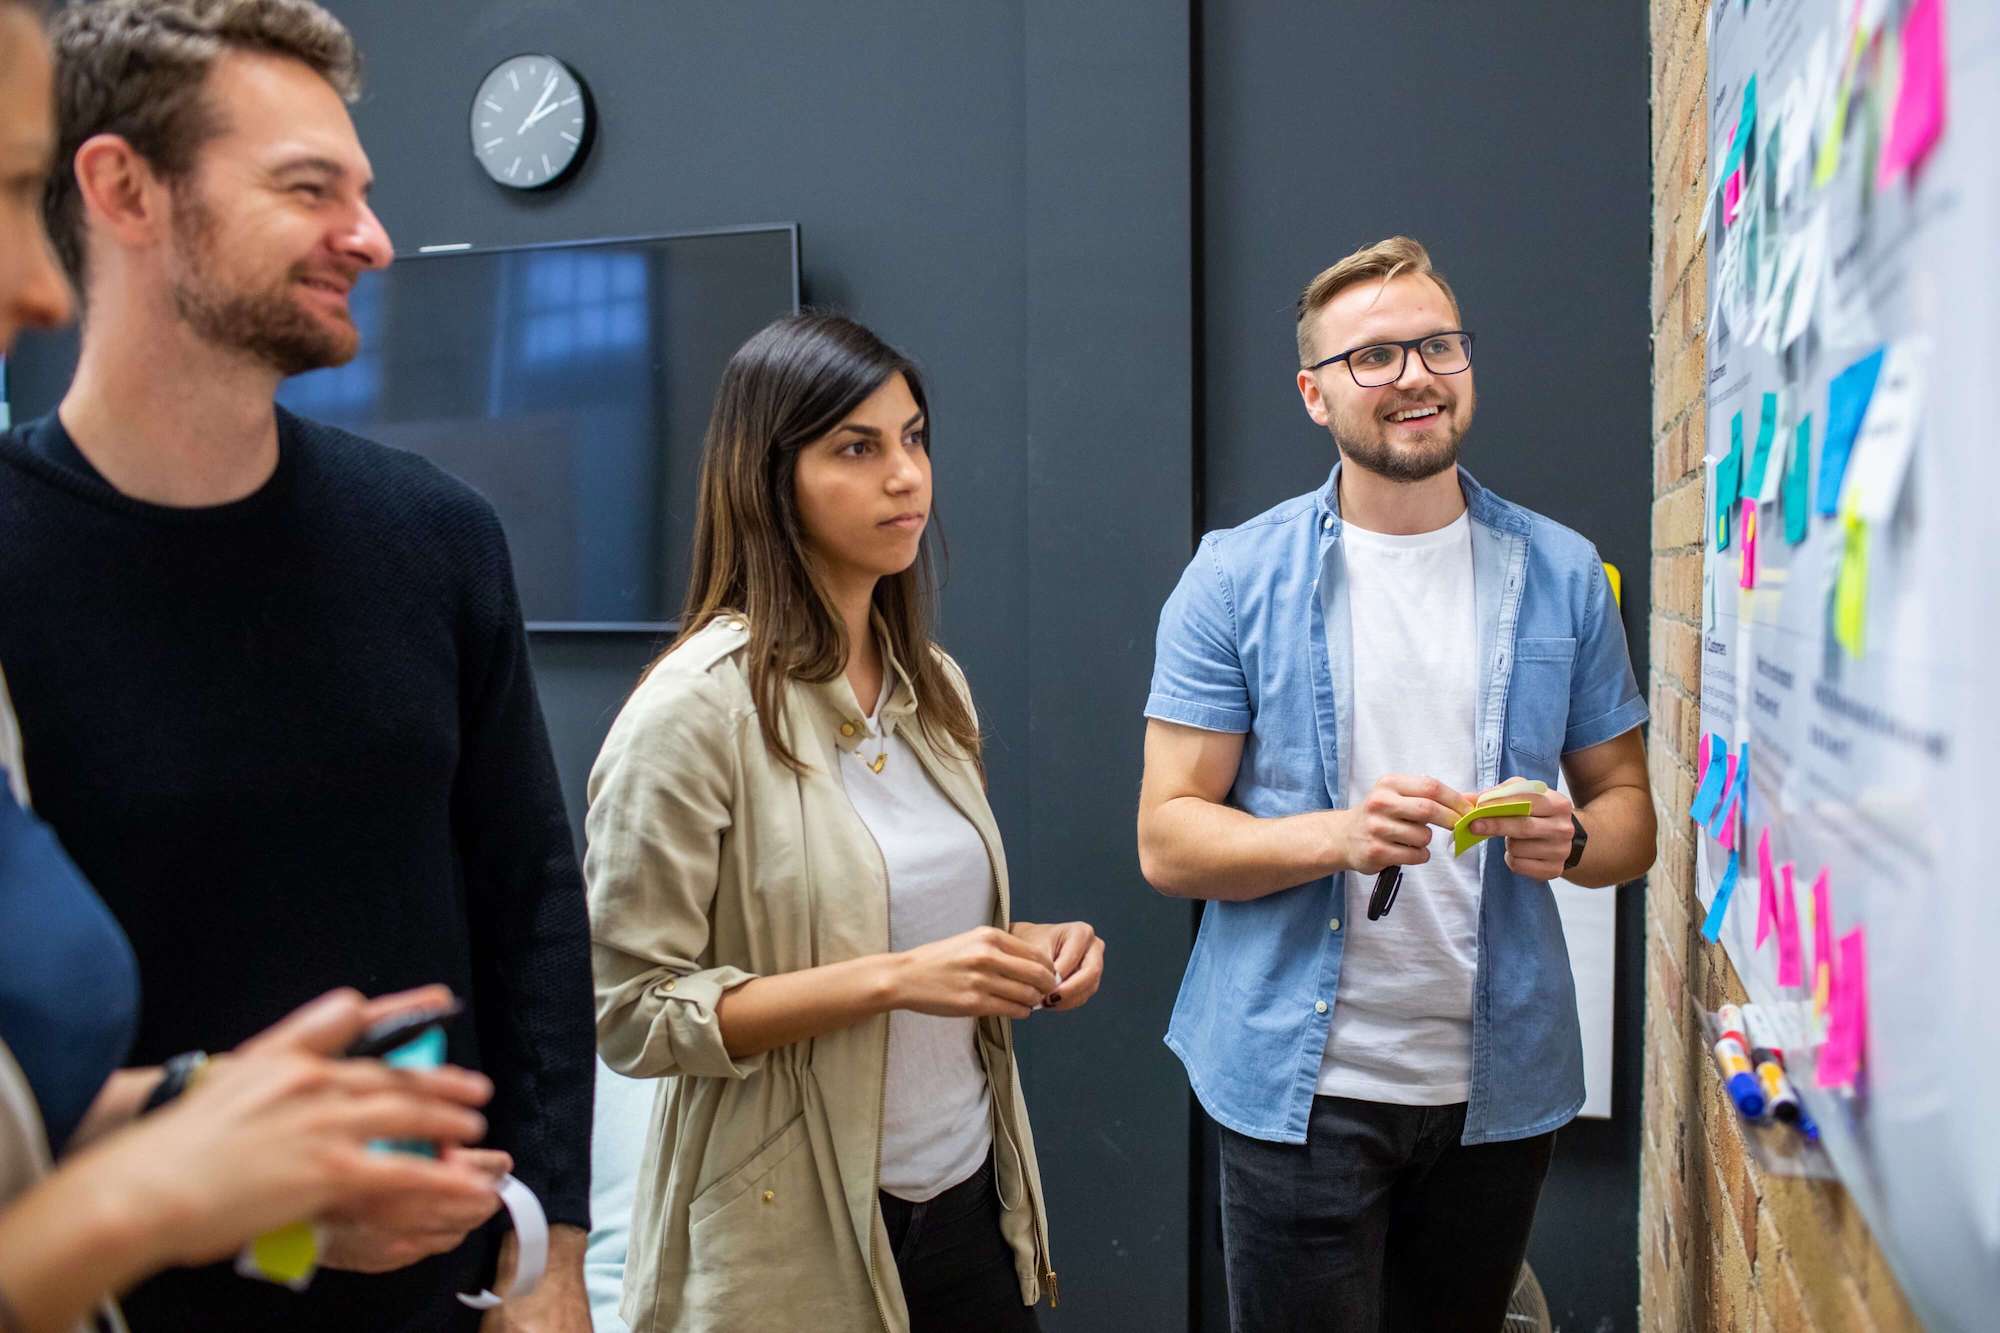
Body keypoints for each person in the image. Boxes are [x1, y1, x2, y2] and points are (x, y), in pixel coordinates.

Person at [0, 2, 596, 1328]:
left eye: (363, 192)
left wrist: (552, 1245)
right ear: (122, 189)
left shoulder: (436, 538)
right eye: (307, 189)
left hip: (436, 1293)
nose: (373, 240)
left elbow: (531, 902)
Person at [1137, 236, 1655, 1332]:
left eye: (1435, 346)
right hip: (1296, 1085)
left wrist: (1569, 841)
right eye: (1371, 357)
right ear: (1312, 395)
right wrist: (1337, 834)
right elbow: (1167, 839)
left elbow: (1630, 820)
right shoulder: (1235, 575)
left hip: (1496, 1090)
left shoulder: (1560, 570)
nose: (1413, 374)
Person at [587, 312, 1105, 1332]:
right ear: (767, 474)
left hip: (968, 1203)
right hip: (791, 1230)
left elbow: (902, 906)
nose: (905, 476)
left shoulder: (933, 687)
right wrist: (895, 980)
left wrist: (1022, 951)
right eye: (855, 448)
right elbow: (634, 1014)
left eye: (912, 438)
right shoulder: (692, 709)